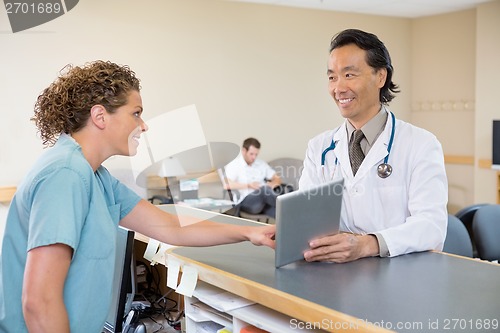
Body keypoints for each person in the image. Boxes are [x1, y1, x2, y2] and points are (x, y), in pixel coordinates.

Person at [0, 61, 275, 333]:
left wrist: (250, 233)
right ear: (100, 116)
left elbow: (172, 227)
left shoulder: (96, 177)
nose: (143, 126)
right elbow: (39, 303)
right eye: (136, 113)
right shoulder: (65, 174)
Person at [299, 29, 448, 264]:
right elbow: (306, 219)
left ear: (381, 77)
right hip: (335, 276)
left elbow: (431, 227)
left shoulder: (421, 144)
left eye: (349, 75)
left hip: (399, 275)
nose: (338, 88)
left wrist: (368, 244)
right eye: (332, 77)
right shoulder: (319, 148)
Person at [223, 138, 283, 218]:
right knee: (264, 190)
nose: (254, 157)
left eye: (256, 154)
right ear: (244, 151)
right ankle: (287, 205)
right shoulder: (235, 165)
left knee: (282, 215)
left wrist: (273, 184)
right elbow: (226, 185)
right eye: (251, 154)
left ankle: (291, 214)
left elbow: (277, 178)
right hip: (247, 202)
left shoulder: (261, 164)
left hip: (264, 202)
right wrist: (248, 185)